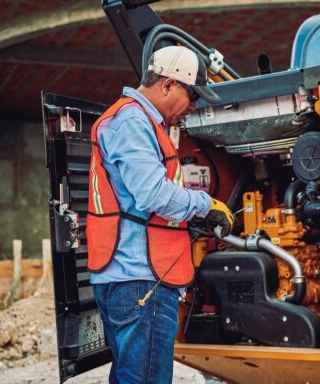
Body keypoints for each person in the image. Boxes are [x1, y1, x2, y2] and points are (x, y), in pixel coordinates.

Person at [86, 45, 233, 383]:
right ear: (167, 85)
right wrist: (205, 205)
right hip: (139, 279)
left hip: (131, 278)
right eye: (191, 95)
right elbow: (153, 193)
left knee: (130, 376)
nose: (193, 106)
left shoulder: (137, 122)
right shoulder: (132, 121)